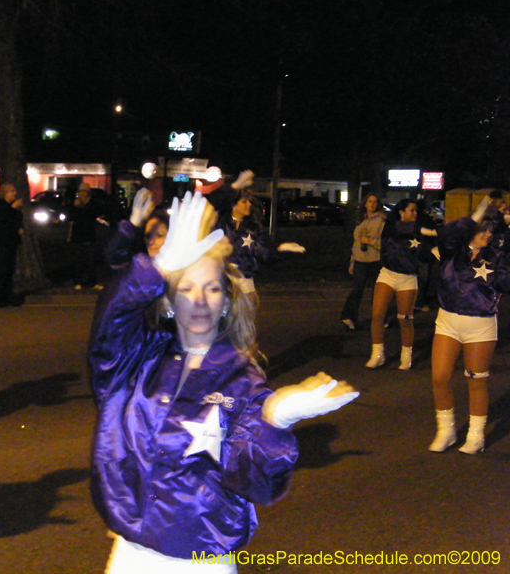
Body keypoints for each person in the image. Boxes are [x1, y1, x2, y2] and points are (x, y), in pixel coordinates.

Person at [89, 192, 358, 572]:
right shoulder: (134, 361)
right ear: (167, 302)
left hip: (203, 558)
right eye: (185, 288)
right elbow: (109, 325)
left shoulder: (243, 382)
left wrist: (274, 421)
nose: (199, 300)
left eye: (212, 288)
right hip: (131, 553)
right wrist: (158, 266)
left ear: (227, 302)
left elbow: (256, 484)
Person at [428, 197, 510, 454]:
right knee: (439, 377)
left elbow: (506, 283)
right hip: (448, 322)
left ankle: (476, 436)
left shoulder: (496, 256)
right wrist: (475, 217)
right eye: (483, 230)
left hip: (480, 325)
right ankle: (446, 431)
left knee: (476, 381)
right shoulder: (453, 250)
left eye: (490, 230)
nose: (488, 234)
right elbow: (449, 233)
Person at [365, 198, 431, 370]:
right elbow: (396, 233)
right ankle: (378, 354)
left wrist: (431, 244)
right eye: (411, 210)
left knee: (405, 318)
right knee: (377, 315)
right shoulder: (392, 226)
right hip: (388, 274)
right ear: (402, 212)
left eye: (416, 210)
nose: (415, 213)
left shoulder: (420, 230)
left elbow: (424, 254)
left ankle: (406, 355)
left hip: (408, 278)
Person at [220, 186, 304, 302]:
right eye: (244, 201)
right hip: (222, 278)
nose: (249, 204)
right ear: (233, 205)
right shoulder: (220, 224)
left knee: (245, 315)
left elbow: (261, 252)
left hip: (244, 278)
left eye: (249, 201)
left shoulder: (253, 227)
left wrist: (279, 249)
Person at [340, 194, 386, 330]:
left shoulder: (382, 220)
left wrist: (370, 242)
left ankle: (379, 319)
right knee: (357, 290)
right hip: (361, 260)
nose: (372, 204)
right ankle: (348, 317)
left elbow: (386, 243)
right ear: (365, 204)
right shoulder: (360, 220)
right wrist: (352, 261)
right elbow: (356, 242)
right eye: (369, 201)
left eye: (375, 202)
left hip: (376, 260)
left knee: (377, 292)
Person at [0, 183, 24, 307]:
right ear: (5, 193)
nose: (14, 193)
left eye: (15, 191)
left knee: (10, 271)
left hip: (12, 243)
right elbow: (1, 224)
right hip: (2, 244)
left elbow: (17, 221)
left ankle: (8, 296)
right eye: (12, 191)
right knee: (2, 271)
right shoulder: (1, 207)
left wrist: (19, 227)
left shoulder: (13, 207)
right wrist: (12, 209)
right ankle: (0, 298)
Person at [69, 182, 106, 290]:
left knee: (91, 260)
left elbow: (95, 214)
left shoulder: (92, 204)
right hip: (77, 236)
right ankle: (77, 282)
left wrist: (84, 207)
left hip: (89, 235)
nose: (81, 194)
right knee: (78, 260)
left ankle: (93, 281)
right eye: (80, 192)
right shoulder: (75, 205)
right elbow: (71, 216)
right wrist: (75, 207)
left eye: (84, 192)